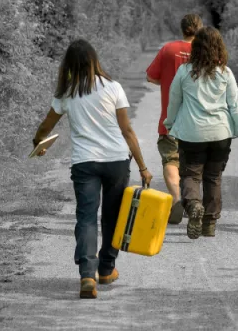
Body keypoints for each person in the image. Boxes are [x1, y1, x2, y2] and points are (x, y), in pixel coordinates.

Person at [32, 39, 152, 299]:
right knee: (112, 217)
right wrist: (143, 166)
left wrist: (38, 145)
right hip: (116, 162)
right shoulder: (113, 87)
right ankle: (107, 269)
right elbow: (127, 130)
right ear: (94, 60)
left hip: (85, 164)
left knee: (86, 218)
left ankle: (88, 275)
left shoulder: (67, 92)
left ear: (70, 65)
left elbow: (45, 128)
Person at [164, 26, 238, 239]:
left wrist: (169, 123)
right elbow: (236, 105)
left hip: (191, 133)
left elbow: (174, 101)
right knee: (213, 177)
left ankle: (194, 205)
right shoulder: (225, 72)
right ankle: (209, 224)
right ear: (218, 48)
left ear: (196, 48)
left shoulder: (184, 72)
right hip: (220, 134)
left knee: (190, 174)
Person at [146, 14, 203, 224]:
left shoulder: (168, 49)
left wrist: (168, 80)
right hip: (197, 120)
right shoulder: (204, 51)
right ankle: (193, 201)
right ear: (200, 28)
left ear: (182, 29)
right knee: (194, 164)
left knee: (171, 159)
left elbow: (151, 76)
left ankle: (177, 199)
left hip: (170, 119)